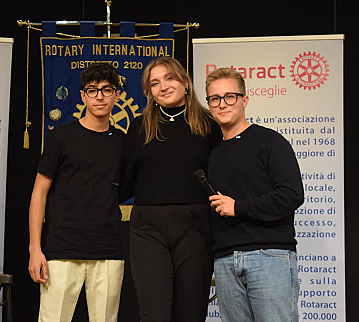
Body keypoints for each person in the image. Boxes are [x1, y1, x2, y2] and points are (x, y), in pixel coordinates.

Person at [123, 57, 222, 322]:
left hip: (196, 227)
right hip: (148, 228)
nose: (163, 86)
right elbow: (124, 181)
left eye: (169, 78)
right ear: (149, 92)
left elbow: (222, 178)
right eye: (155, 83)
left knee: (191, 312)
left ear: (185, 82)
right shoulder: (139, 127)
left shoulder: (210, 125)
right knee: (154, 313)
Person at [204, 67, 304, 322]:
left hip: (269, 256)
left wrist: (238, 207)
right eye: (214, 99)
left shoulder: (270, 142)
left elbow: (292, 195)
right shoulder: (211, 153)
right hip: (225, 260)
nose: (222, 104)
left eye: (230, 97)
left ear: (245, 100)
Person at [28, 62, 125, 322]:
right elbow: (39, 194)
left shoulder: (121, 142)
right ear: (83, 96)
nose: (100, 97)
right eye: (93, 90)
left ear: (116, 95)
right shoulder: (61, 137)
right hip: (62, 248)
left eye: (106, 90)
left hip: (108, 249)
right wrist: (35, 249)